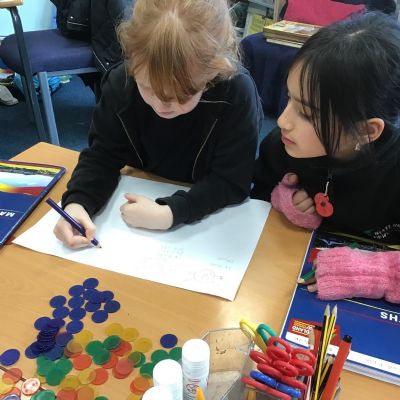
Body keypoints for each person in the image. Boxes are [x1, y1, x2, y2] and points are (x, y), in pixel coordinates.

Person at [54, 0, 263, 248]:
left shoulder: (235, 94)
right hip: (141, 196)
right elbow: (102, 156)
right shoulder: (121, 83)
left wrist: (172, 212)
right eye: (148, 88)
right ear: (133, 61)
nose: (162, 105)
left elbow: (233, 181)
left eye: (183, 94)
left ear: (211, 72)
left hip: (206, 227)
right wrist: (78, 203)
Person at [251, 12, 400, 304]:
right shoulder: (282, 145)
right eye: (289, 97)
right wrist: (282, 200)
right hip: (292, 279)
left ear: (366, 130)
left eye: (307, 113)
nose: (282, 121)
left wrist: (379, 273)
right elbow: (258, 198)